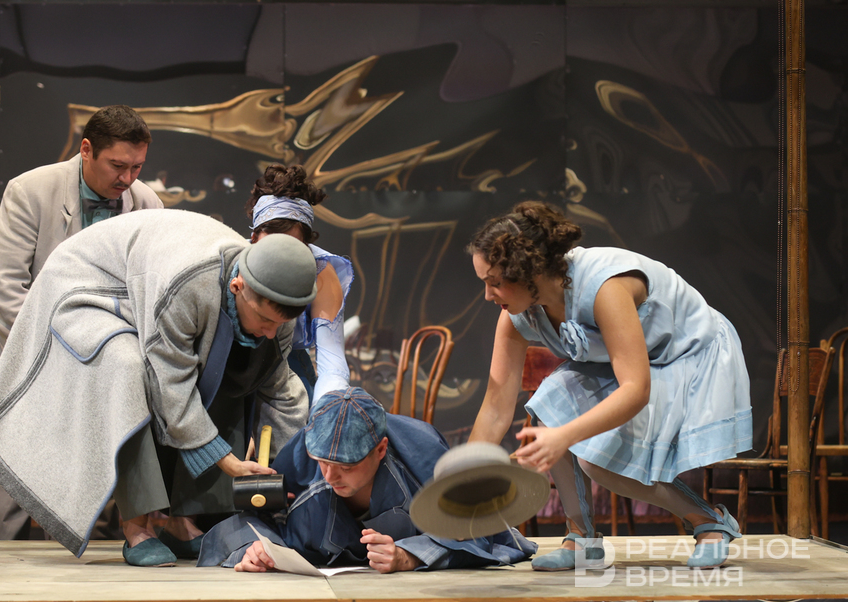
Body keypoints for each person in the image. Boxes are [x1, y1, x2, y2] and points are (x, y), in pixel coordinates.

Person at [0, 209, 318, 567]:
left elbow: (281, 392)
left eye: (279, 324)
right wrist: (227, 462)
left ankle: (182, 523)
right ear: (238, 287)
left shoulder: (276, 304)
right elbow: (171, 385)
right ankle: (138, 527)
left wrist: (288, 472)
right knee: (128, 367)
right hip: (89, 289)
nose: (271, 332)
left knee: (224, 366)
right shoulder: (188, 286)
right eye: (265, 321)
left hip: (148, 291)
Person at [467, 200, 752, 570]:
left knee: (598, 460)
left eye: (495, 283)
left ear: (530, 272)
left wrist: (564, 437)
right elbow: (495, 406)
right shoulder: (518, 316)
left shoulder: (604, 288)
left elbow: (635, 389)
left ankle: (709, 520)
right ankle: (581, 540)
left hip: (683, 351)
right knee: (548, 409)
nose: (488, 295)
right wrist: (464, 475)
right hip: (629, 359)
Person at [0, 104, 164, 541]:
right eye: (118, 165)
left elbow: (148, 295)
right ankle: (2, 580)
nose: (128, 178)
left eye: (137, 167)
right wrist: (65, 356)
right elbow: (4, 289)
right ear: (86, 150)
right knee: (11, 498)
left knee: (103, 490)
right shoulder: (31, 191)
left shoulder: (148, 204)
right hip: (24, 362)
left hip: (100, 371)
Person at [197, 386, 537, 573]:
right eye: (324, 462)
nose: (330, 475)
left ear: (381, 449)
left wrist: (408, 556)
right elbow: (260, 521)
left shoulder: (423, 455)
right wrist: (261, 550)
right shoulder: (303, 453)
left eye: (346, 466)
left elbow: (475, 530)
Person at [246, 164, 353, 406]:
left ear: (307, 246)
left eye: (293, 246)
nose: (281, 256)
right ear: (253, 239)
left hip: (293, 382)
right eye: (272, 244)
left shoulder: (320, 272)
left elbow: (332, 364)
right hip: (239, 373)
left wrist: (327, 412)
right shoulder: (233, 263)